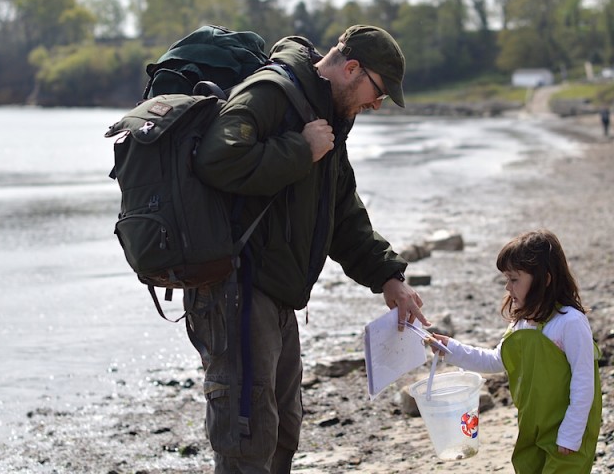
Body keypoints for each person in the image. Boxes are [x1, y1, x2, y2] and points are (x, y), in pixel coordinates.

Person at [189, 25, 429, 473]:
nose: (376, 105)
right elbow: (216, 158)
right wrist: (301, 149)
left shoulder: (330, 114)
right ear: (351, 68)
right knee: (246, 436)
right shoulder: (273, 92)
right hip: (238, 289)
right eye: (377, 92)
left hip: (277, 293)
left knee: (282, 431)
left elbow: (341, 210)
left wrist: (389, 278)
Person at [432, 229, 601, 473]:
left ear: (545, 278)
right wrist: (451, 349)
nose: (507, 287)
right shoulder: (522, 322)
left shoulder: (570, 322)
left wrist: (571, 433)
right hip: (532, 425)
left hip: (568, 427)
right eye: (506, 279)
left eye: (514, 279)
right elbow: (494, 360)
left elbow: (584, 382)